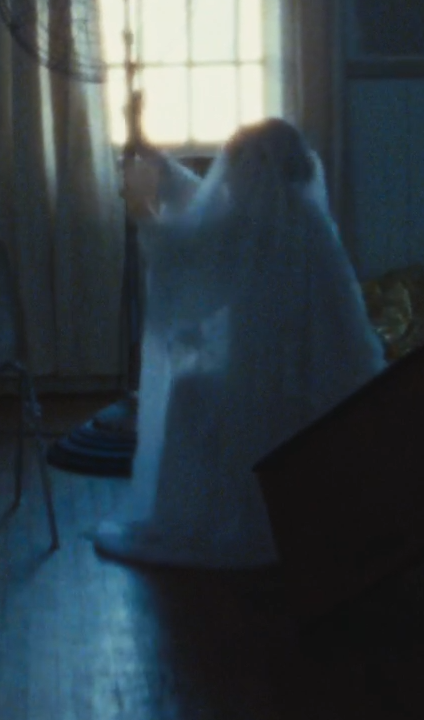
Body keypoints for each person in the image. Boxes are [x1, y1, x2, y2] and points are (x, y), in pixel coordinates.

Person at [93, 118, 385, 568]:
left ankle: (191, 517)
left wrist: (142, 213)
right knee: (201, 387)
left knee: (189, 393)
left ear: (254, 174)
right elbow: (204, 208)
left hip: (276, 395)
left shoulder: (255, 231)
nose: (227, 181)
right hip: (326, 397)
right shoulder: (310, 224)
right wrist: (155, 158)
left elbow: (186, 249)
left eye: (235, 170)